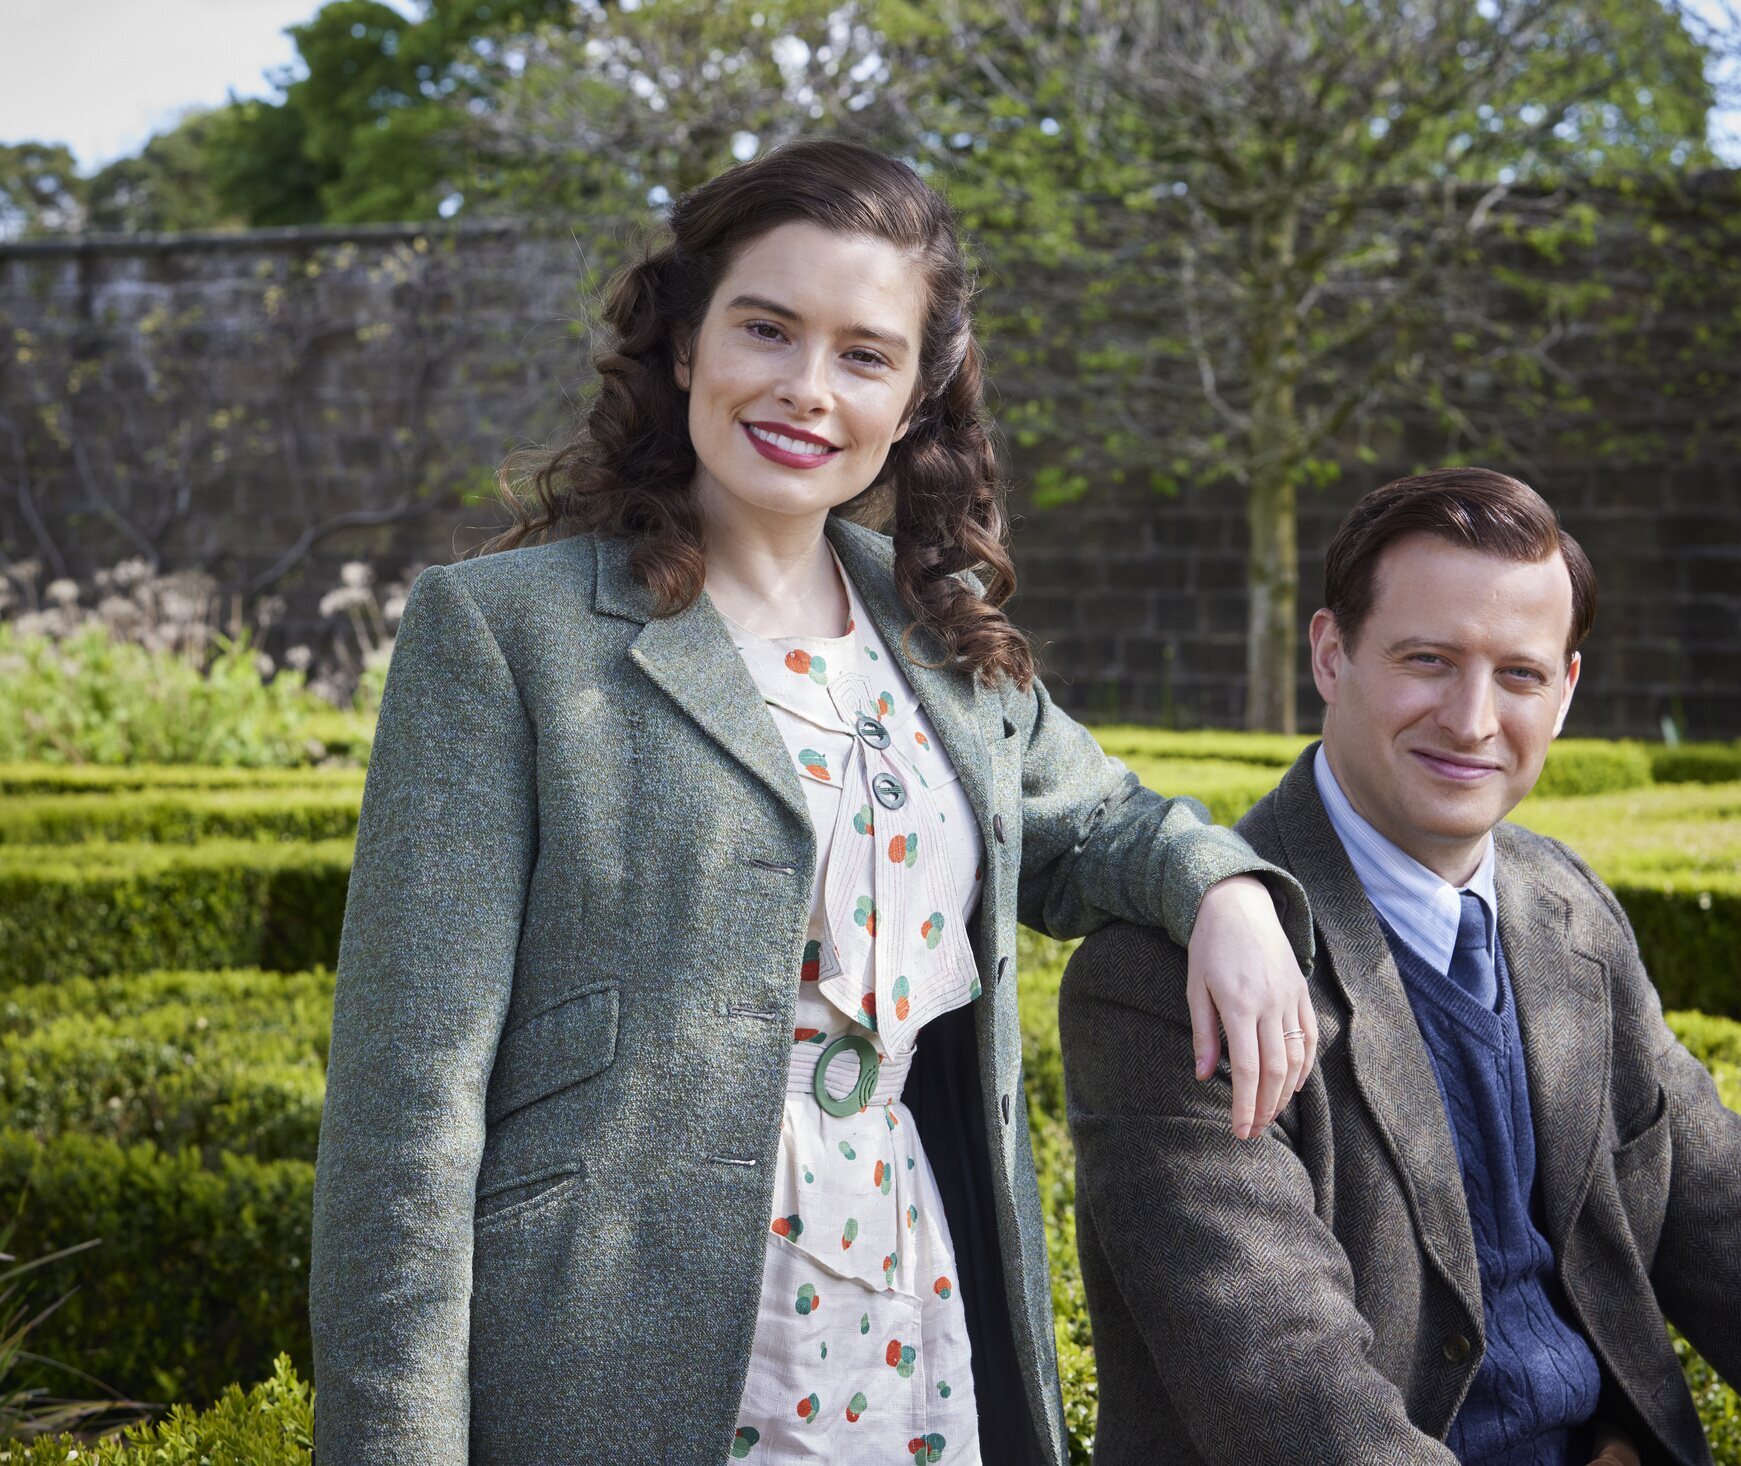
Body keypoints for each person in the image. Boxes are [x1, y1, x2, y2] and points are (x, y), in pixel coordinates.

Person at [307, 138, 1316, 1466]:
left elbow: (1107, 824)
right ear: (684, 345)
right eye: (766, 329)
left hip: (910, 1298)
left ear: (912, 399)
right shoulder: (505, 634)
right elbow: (406, 1111)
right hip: (609, 1349)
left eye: (863, 353)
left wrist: (1228, 888)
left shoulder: (938, 631)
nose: (806, 389)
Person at [1061, 468, 1741, 1465]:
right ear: (1331, 654)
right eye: (1427, 659)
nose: (1470, 719)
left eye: (1517, 674)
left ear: (1565, 692)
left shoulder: (1566, 909)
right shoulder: (1165, 977)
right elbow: (1289, 1391)